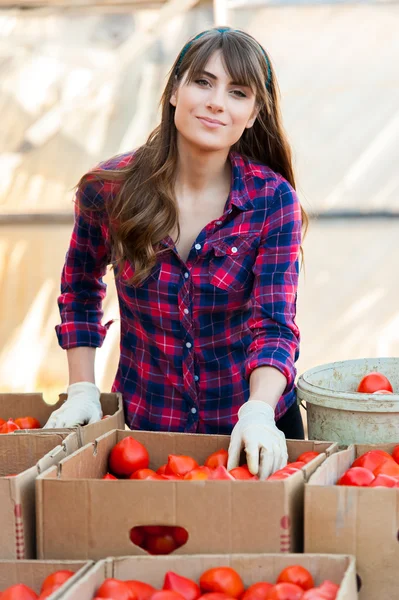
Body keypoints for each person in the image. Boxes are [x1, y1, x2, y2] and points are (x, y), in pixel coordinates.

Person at [44, 27, 308, 479]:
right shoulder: (108, 190)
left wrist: (259, 411)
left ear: (252, 114)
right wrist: (82, 388)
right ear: (173, 90)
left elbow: (274, 324)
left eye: (237, 92)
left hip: (254, 433)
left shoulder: (272, 201)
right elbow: (80, 291)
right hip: (149, 435)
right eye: (202, 82)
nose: (216, 102)